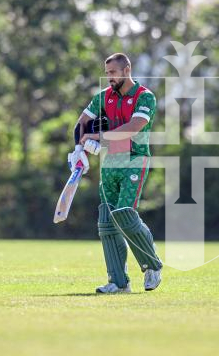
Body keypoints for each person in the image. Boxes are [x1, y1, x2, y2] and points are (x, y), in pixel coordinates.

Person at [74, 53, 162, 294]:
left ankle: (152, 266)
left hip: (135, 158)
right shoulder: (103, 97)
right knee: (106, 220)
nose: (109, 77)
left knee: (124, 214)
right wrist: (78, 150)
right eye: (107, 73)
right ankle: (118, 282)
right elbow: (81, 122)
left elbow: (134, 128)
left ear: (127, 70)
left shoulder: (145, 97)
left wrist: (99, 138)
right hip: (111, 161)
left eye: (113, 72)